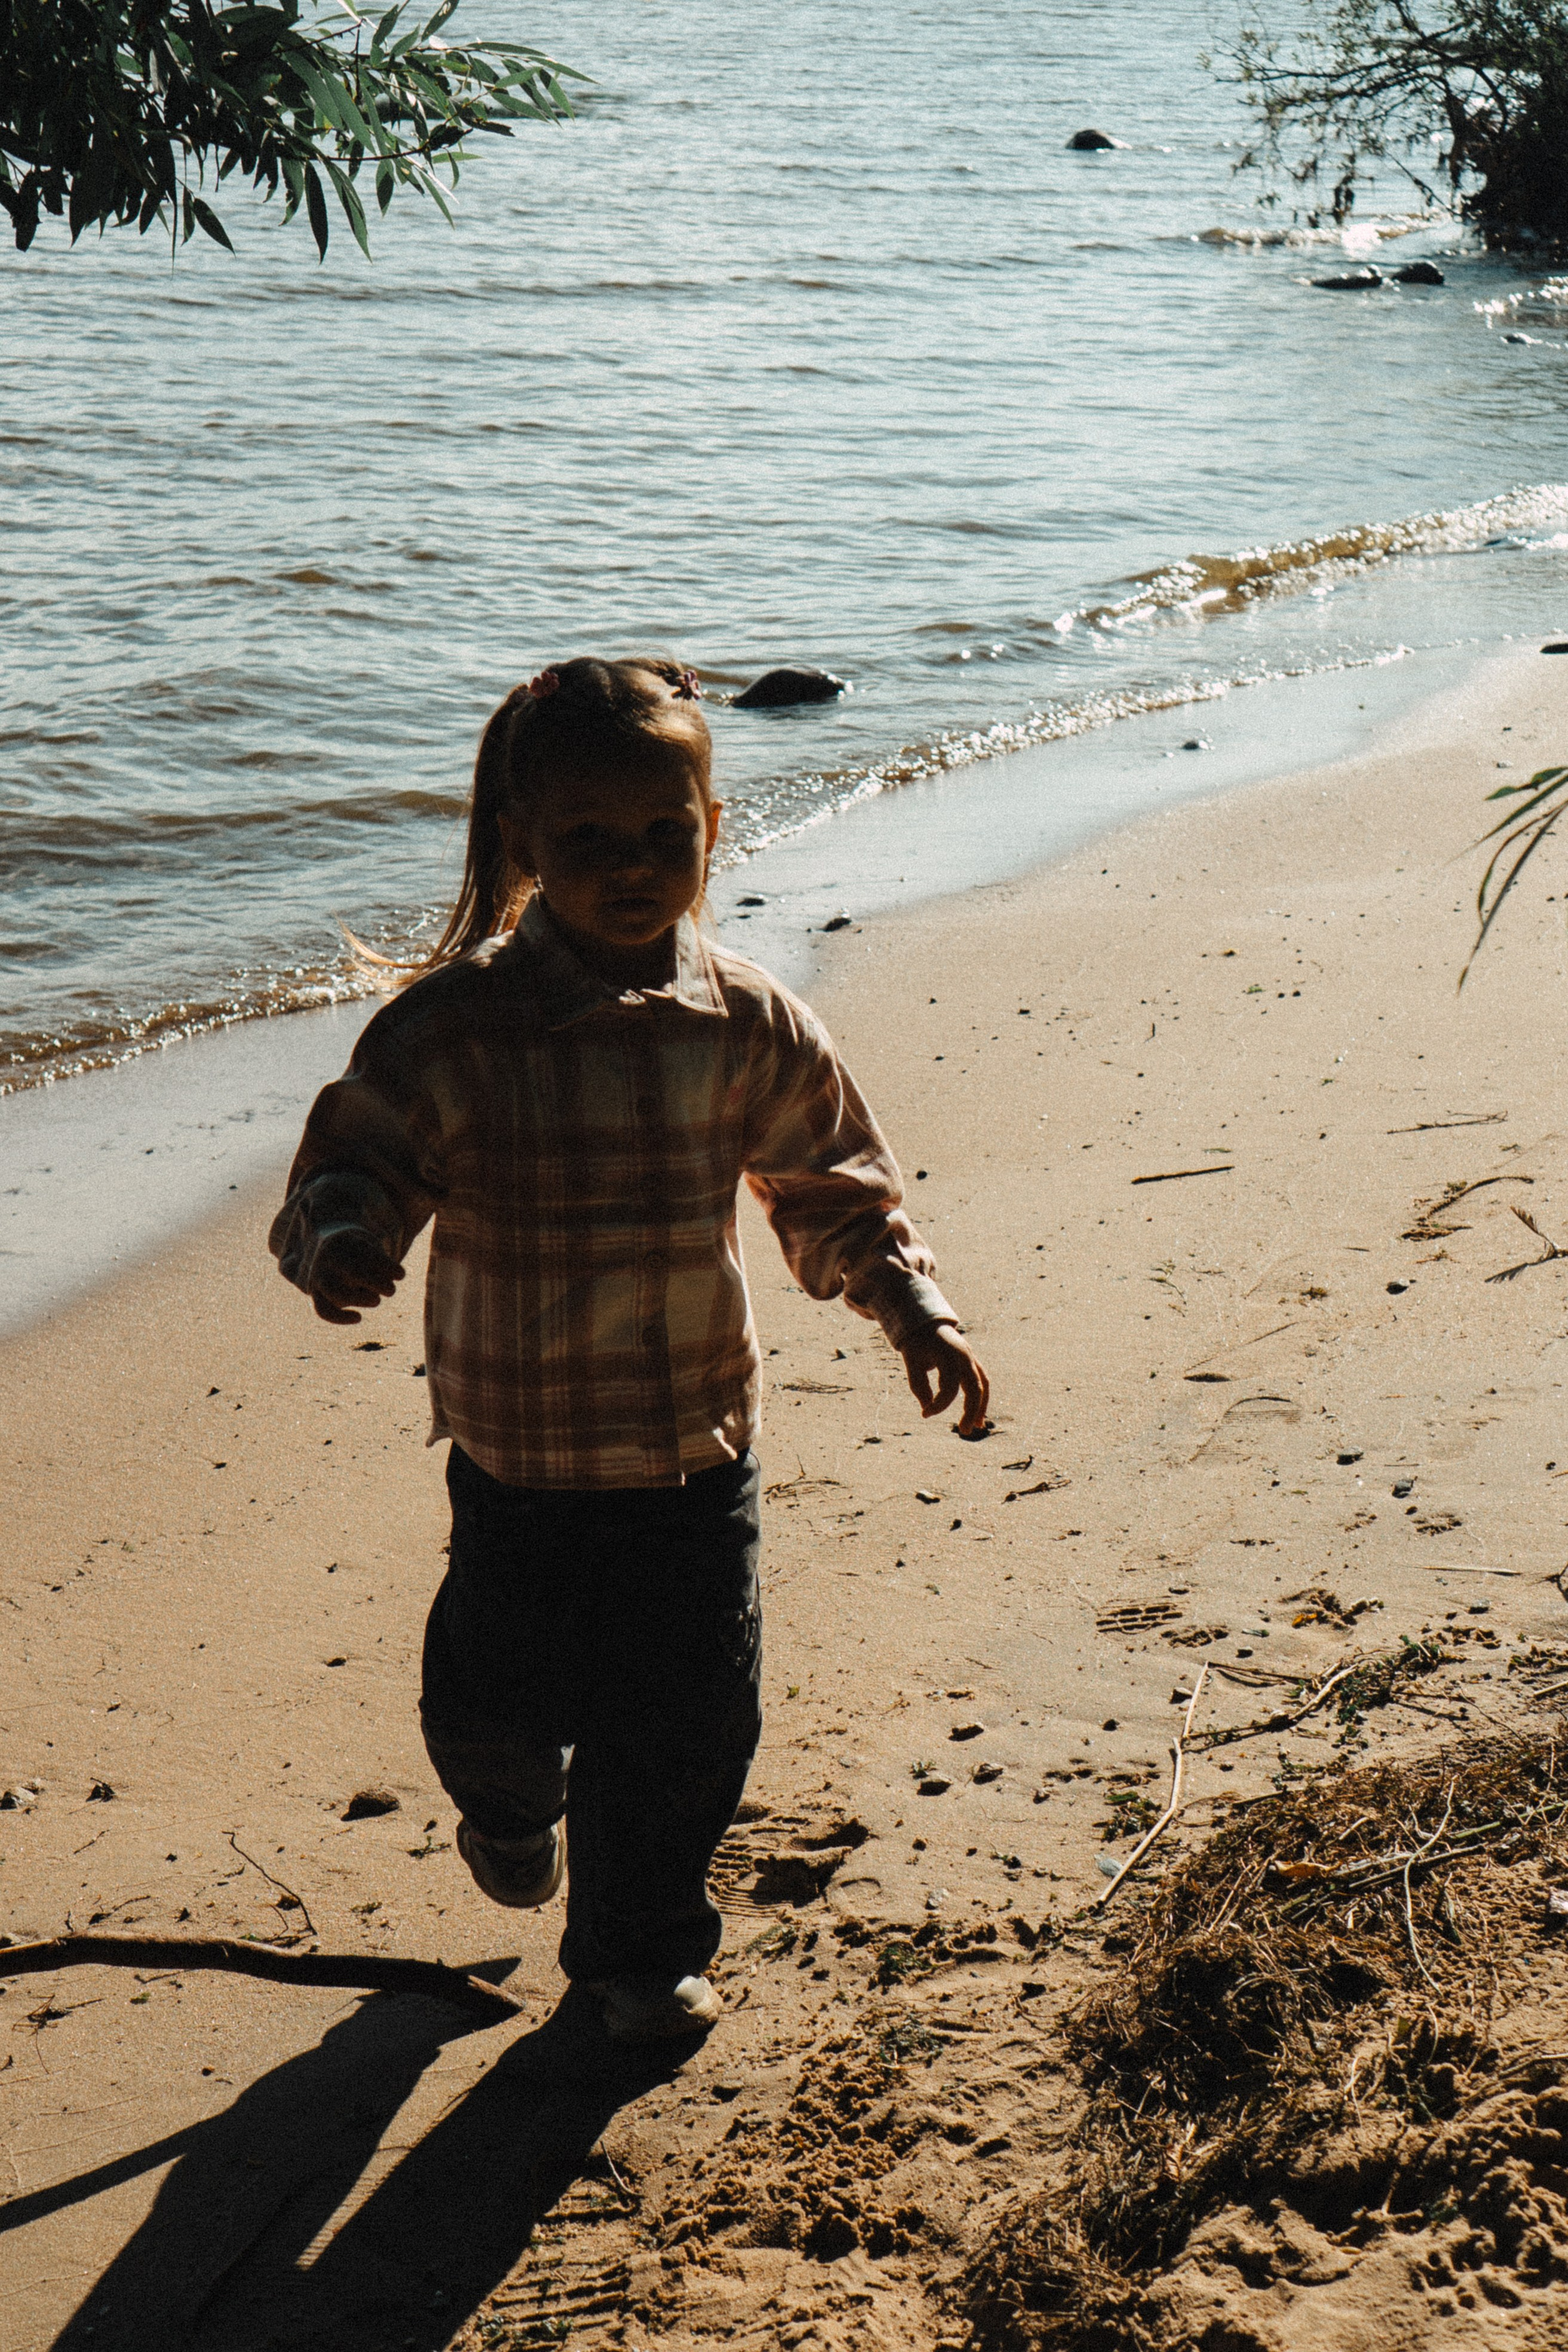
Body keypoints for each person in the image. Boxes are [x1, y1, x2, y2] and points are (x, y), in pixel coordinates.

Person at [269, 657, 989, 2041]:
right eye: (590, 840)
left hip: (692, 1457)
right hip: (517, 1461)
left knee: (686, 1731)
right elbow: (354, 1159)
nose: (633, 866)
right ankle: (503, 1797)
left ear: (711, 831)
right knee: (492, 1701)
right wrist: (343, 1241)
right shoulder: (457, 1026)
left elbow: (834, 1184)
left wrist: (910, 1305)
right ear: (524, 845)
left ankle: (632, 1958)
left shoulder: (745, 1022)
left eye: (664, 832)